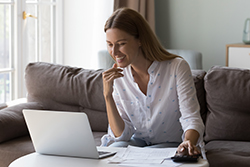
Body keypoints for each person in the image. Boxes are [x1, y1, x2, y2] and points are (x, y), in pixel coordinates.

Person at [101, 7, 204, 156]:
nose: (114, 52)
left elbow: (191, 117)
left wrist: (188, 141)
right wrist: (107, 95)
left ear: (140, 40)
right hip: (136, 144)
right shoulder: (117, 76)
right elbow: (121, 135)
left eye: (121, 43)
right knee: (113, 151)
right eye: (110, 44)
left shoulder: (177, 67)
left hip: (171, 144)